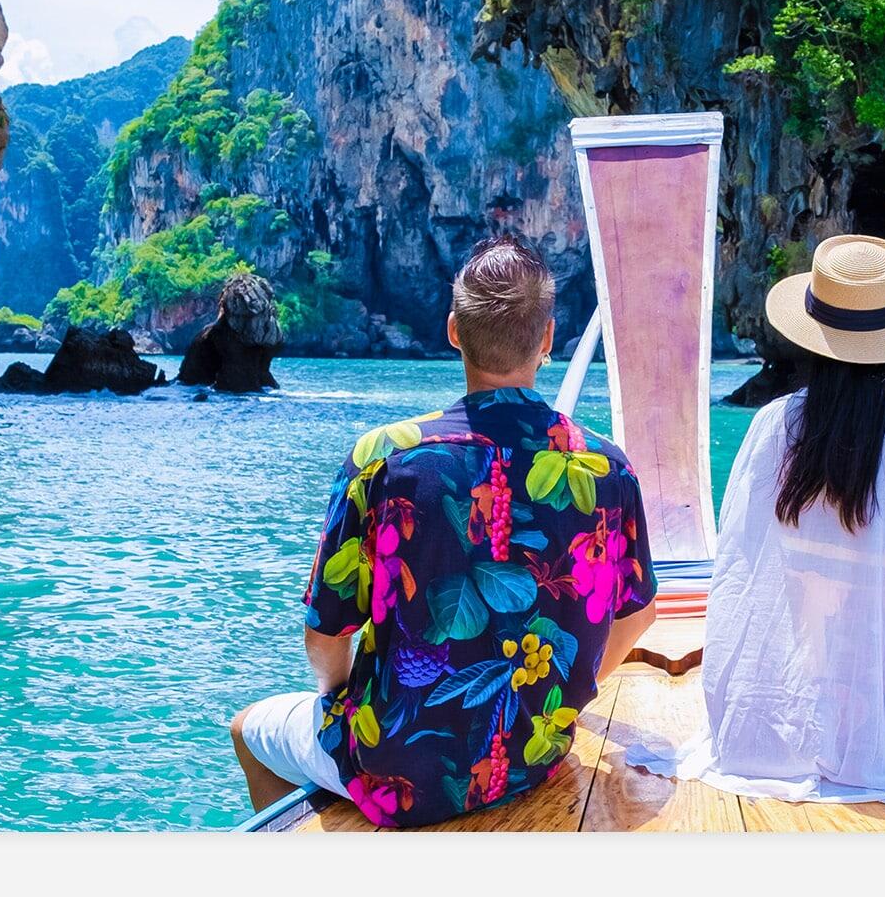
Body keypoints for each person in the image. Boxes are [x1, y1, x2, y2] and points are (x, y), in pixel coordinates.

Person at [232, 235, 658, 827]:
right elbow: (638, 615)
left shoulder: (383, 458)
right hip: (535, 755)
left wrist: (335, 702)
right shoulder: (606, 467)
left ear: (454, 330)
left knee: (247, 728)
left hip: (397, 773)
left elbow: (326, 636)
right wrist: (561, 707)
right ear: (547, 338)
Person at [634, 233, 885, 807]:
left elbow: (736, 579)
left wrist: (731, 712)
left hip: (761, 736)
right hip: (884, 753)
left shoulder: (771, 427)